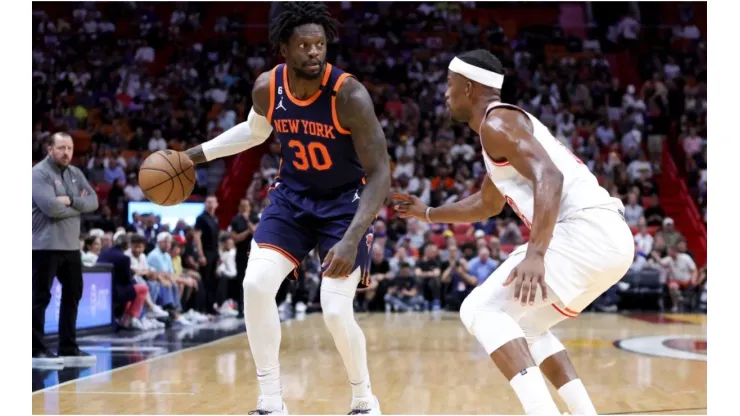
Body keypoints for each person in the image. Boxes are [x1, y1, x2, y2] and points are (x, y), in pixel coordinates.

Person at [393, 49, 633, 415]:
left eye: (449, 83)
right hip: (610, 241)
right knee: (531, 328)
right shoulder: (500, 133)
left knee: (480, 310)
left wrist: (536, 254)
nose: (445, 92)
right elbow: (487, 204)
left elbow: (549, 176)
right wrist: (427, 213)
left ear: (470, 88)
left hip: (585, 232)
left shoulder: (497, 123)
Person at [179, 3, 390, 414]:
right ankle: (270, 402)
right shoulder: (267, 87)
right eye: (305, 45)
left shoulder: (349, 95)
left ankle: (364, 400)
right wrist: (192, 156)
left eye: (321, 44)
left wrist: (350, 240)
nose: (315, 52)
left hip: (344, 205)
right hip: (291, 198)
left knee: (333, 307)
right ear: (283, 48)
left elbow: (381, 172)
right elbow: (254, 133)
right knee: (255, 286)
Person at [32, 132, 99, 368]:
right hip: (44, 246)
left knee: (73, 295)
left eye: (69, 148)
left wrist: (70, 201)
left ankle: (68, 346)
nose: (66, 153)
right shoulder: (38, 174)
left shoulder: (75, 173)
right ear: (50, 149)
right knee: (39, 299)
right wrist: (77, 206)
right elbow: (51, 208)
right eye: (61, 148)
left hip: (71, 248)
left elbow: (94, 201)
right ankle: (35, 349)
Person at [229, 199, 259, 316]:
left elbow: (257, 233)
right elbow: (235, 238)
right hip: (241, 253)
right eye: (242, 205)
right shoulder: (235, 220)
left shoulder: (255, 218)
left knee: (255, 280)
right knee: (241, 280)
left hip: (254, 252)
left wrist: (248, 223)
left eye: (247, 205)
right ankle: (241, 308)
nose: (245, 207)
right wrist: (247, 231)